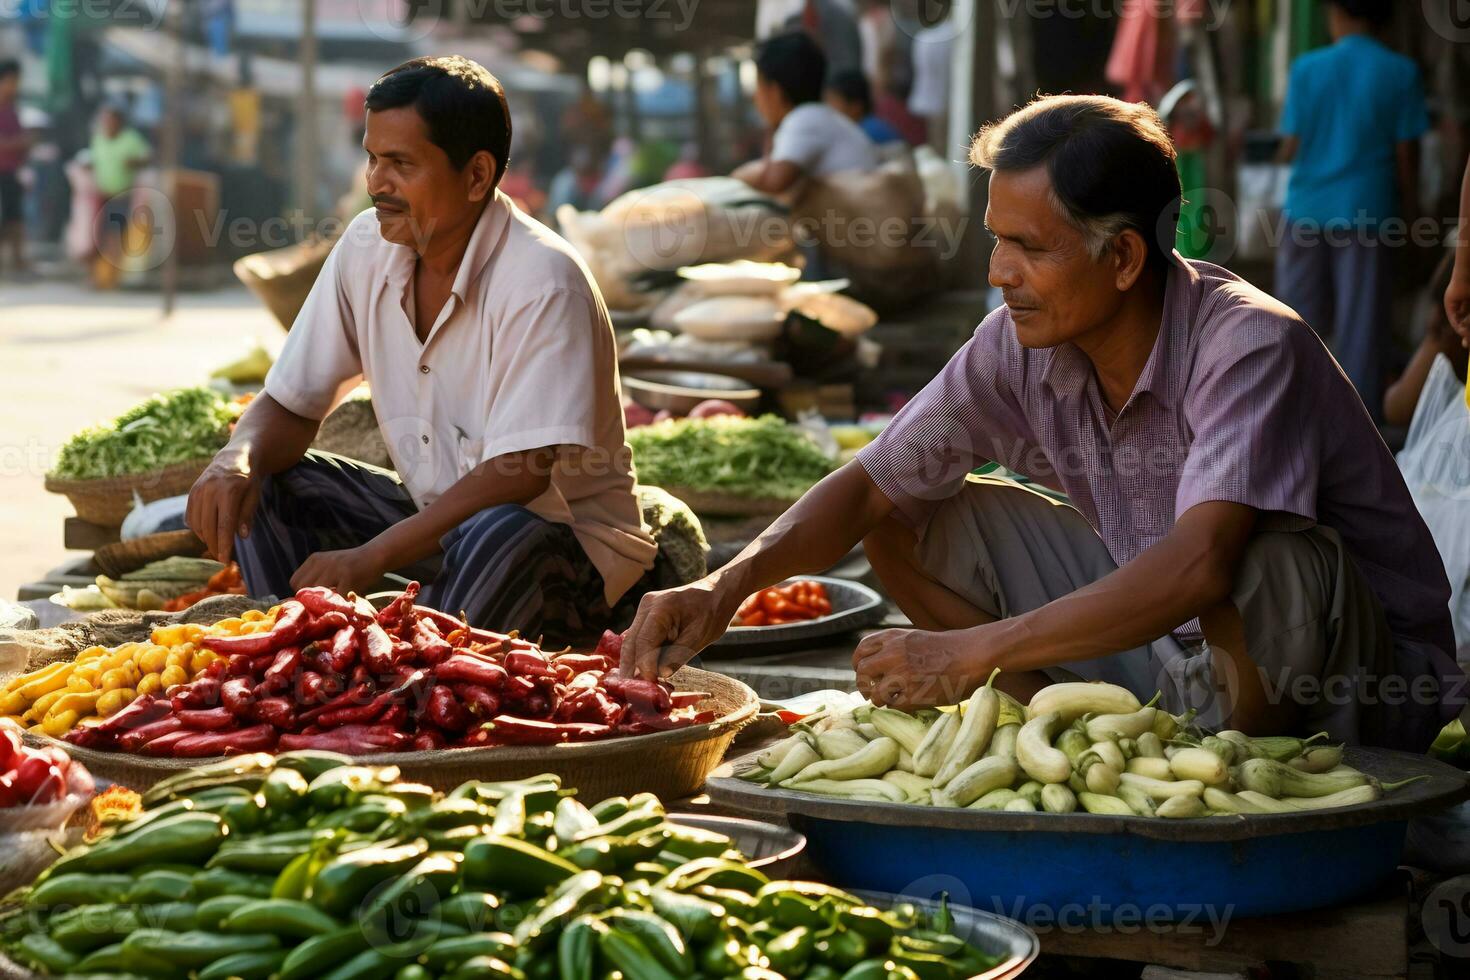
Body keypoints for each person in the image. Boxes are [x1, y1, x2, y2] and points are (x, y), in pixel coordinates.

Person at [622, 94, 1464, 753]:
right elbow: (869, 485)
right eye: (995, 241)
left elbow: (1201, 567)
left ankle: (1229, 788)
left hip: (1354, 680)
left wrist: (964, 653)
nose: (997, 274)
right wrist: (723, 588)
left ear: (1125, 257)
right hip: (1174, 650)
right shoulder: (1021, 344)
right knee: (910, 518)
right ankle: (1076, 729)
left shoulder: (1248, 344)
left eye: (1027, 247)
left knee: (1265, 557)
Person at [185, 56, 658, 648]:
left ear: (477, 176)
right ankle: (292, 667)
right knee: (275, 483)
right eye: (372, 158)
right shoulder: (365, 247)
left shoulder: (543, 279)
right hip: (435, 521)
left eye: (402, 164)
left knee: (502, 530)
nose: (377, 182)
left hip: (570, 550)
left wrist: (368, 558)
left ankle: (432, 690)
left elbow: (519, 475)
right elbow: (291, 400)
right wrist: (238, 455)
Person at [1274, 0, 1428, 418]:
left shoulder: (1307, 67)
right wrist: (1411, 211)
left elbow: (1291, 144)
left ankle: (1290, 411)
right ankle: (1356, 426)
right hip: (1368, 209)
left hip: (1306, 207)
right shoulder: (1401, 71)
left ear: (1336, 14)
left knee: (1294, 318)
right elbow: (1406, 157)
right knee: (1362, 326)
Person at [734, 32, 877, 196]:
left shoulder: (804, 118)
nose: (755, 98)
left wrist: (735, 179)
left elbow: (773, 180)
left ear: (775, 92)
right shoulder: (822, 117)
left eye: (758, 87)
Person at [87, 104, 151, 287]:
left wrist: (132, 162)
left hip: (121, 195)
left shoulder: (131, 140)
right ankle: (98, 275)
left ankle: (111, 277)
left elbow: (147, 157)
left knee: (114, 234)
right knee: (97, 236)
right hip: (100, 195)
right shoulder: (99, 138)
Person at [0, 60, 31, 275]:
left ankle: (17, 261)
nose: (15, 86)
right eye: (12, 81)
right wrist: (21, 142)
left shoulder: (12, 107)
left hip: (11, 170)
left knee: (14, 216)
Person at [824, 69, 903, 146]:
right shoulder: (867, 125)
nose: (828, 108)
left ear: (855, 107)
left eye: (833, 102)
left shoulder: (867, 132)